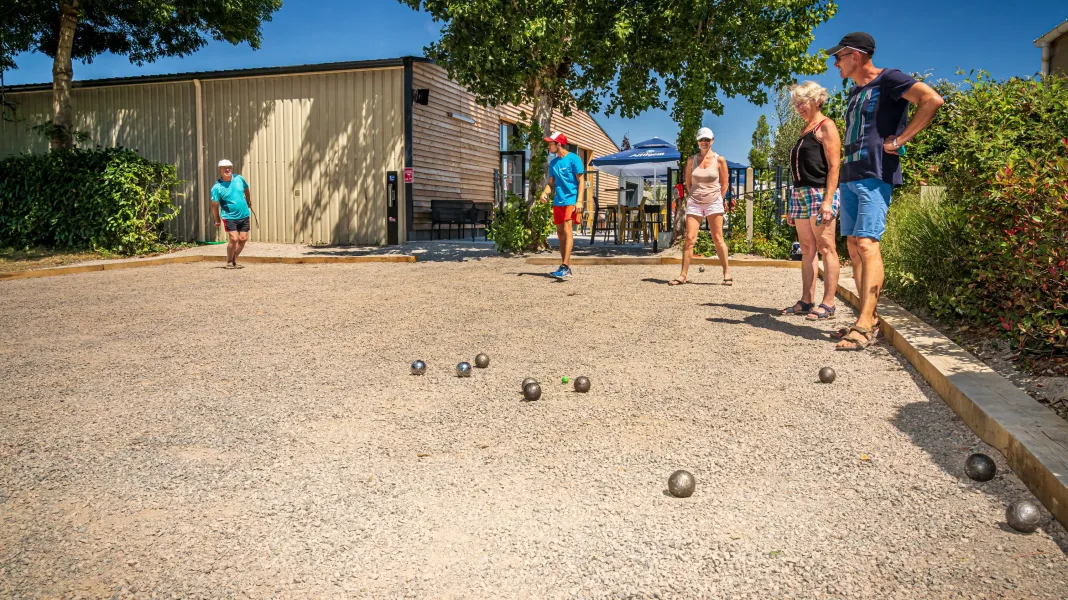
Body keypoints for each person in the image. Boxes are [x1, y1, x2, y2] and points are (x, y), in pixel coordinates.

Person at [828, 32, 944, 350]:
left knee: (867, 243)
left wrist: (900, 140)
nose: (835, 63)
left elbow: (932, 100)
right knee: (853, 245)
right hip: (851, 176)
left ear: (856, 55)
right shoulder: (854, 92)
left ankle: (865, 325)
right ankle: (868, 318)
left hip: (875, 174)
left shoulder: (888, 79)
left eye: (838, 57)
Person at [781, 81, 842, 321]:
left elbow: (835, 165)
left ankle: (828, 303)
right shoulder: (805, 129)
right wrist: (791, 205)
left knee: (826, 247)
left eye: (802, 103)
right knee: (807, 249)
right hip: (800, 193)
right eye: (795, 104)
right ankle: (806, 300)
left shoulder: (826, 126)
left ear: (817, 100)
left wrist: (828, 200)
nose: (798, 108)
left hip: (819, 192)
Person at [670, 127, 731, 286]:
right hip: (695, 203)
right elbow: (688, 183)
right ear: (698, 141)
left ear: (712, 140)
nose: (704, 142)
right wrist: (695, 196)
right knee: (689, 239)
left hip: (714, 203)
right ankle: (683, 275)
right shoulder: (691, 160)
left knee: (718, 239)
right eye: (701, 139)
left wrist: (718, 199)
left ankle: (727, 274)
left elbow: (724, 184)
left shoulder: (720, 160)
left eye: (707, 139)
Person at [539, 132, 585, 280]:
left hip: (571, 200)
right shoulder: (553, 163)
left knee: (567, 230)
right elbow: (550, 184)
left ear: (558, 144)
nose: (549, 146)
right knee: (560, 233)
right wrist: (545, 193)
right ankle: (565, 267)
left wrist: (579, 201)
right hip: (557, 201)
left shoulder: (574, 159)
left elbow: (581, 181)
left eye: (551, 143)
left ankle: (565, 266)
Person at [210, 159, 253, 269]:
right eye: (225, 168)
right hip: (229, 216)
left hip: (244, 214)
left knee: (243, 239)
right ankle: (229, 262)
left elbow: (246, 189)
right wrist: (217, 220)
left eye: (229, 167)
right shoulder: (217, 187)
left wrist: (248, 201)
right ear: (220, 170)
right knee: (234, 239)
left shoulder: (239, 179)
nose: (227, 169)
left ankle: (234, 260)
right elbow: (214, 205)